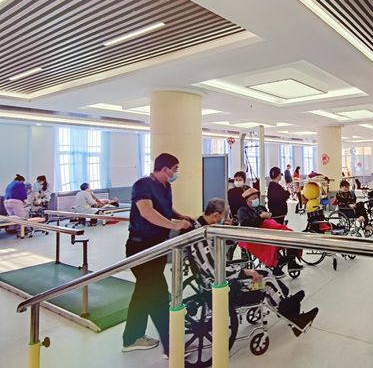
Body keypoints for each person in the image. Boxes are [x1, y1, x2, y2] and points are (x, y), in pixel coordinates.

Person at [191, 197, 318, 335]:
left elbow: (223, 250)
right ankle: (293, 317)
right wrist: (244, 272)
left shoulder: (203, 228)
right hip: (221, 284)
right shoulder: (201, 240)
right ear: (216, 216)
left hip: (221, 275)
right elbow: (215, 271)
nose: (227, 219)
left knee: (266, 273)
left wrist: (228, 229)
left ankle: (287, 303)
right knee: (267, 283)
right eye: (225, 216)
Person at [122, 153, 193, 358]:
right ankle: (172, 347)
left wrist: (179, 216)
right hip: (141, 248)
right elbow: (147, 212)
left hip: (157, 247)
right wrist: (174, 225)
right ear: (164, 169)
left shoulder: (166, 186)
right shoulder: (142, 185)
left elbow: (165, 208)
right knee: (158, 295)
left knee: (143, 293)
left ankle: (132, 338)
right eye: (175, 169)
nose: (176, 173)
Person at [237, 187, 303, 278]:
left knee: (290, 234)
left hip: (269, 229)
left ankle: (291, 262)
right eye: (253, 198)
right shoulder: (242, 211)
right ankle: (278, 264)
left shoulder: (260, 207)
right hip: (255, 235)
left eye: (256, 197)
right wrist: (260, 218)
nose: (256, 199)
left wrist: (267, 216)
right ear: (247, 201)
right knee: (272, 242)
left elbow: (268, 219)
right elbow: (246, 225)